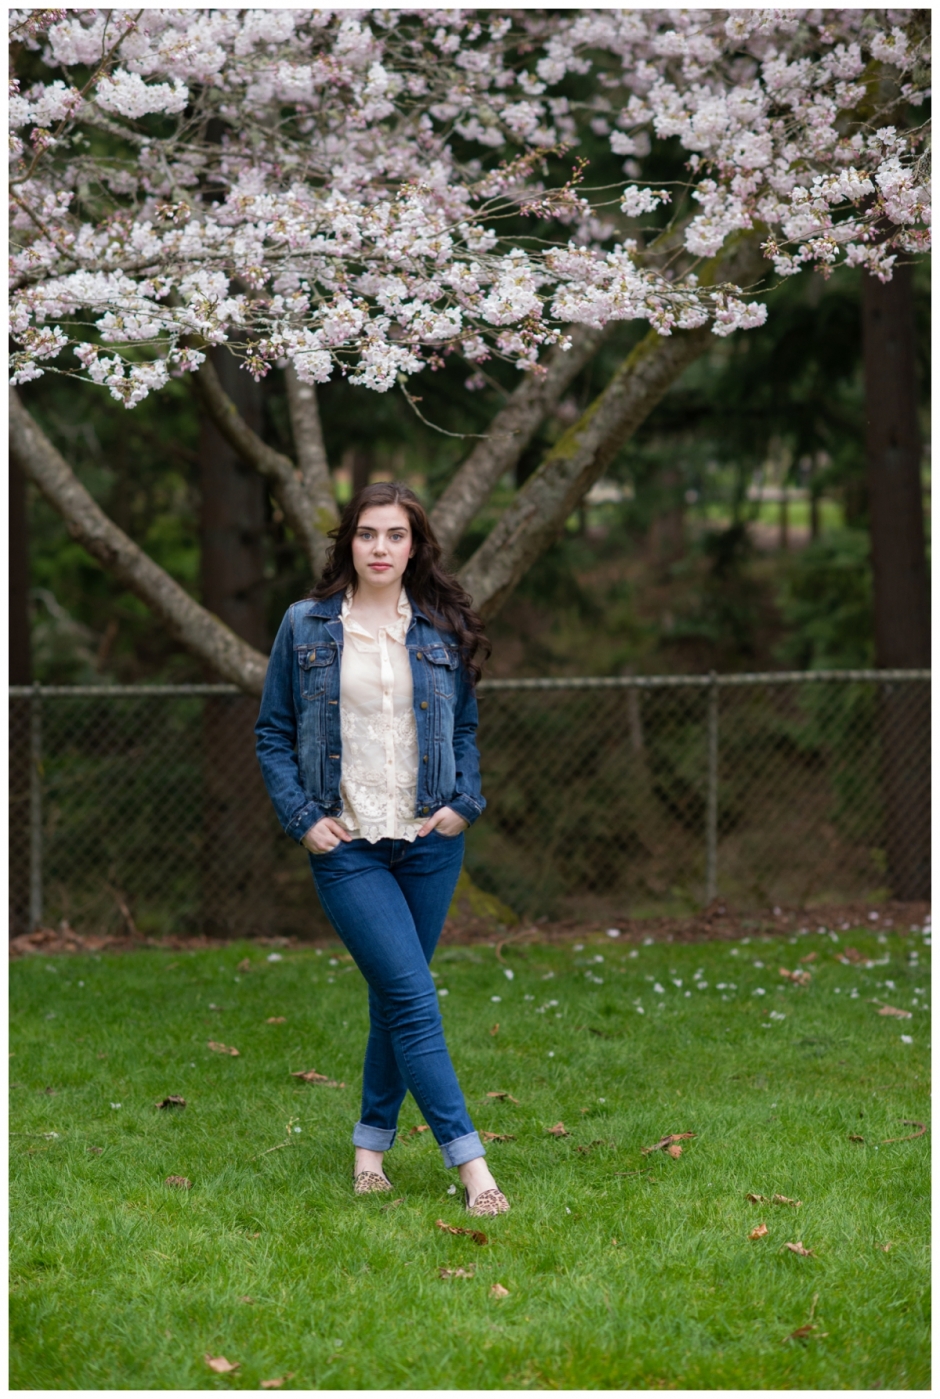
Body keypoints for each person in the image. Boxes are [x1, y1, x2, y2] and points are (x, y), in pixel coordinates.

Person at [255, 482, 509, 1217]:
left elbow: (462, 728)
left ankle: (370, 1149)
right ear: (349, 543)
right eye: (367, 534)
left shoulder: (438, 626)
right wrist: (303, 816)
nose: (380, 548)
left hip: (430, 841)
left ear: (414, 546)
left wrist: (465, 802)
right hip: (347, 844)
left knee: (393, 998)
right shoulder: (304, 626)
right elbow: (273, 731)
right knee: (412, 994)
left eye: (395, 535)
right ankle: (472, 1166)